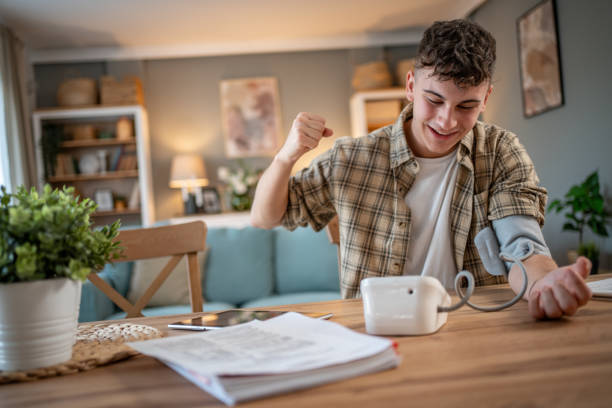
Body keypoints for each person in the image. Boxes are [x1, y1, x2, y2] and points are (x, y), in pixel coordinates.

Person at [251, 19, 592, 320]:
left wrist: (547, 282)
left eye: (467, 106)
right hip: (378, 330)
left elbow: (521, 246)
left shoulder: (501, 151)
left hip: (473, 326)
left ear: (486, 97)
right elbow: (266, 217)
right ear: (411, 87)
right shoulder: (350, 158)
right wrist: (285, 157)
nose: (448, 121)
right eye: (435, 100)